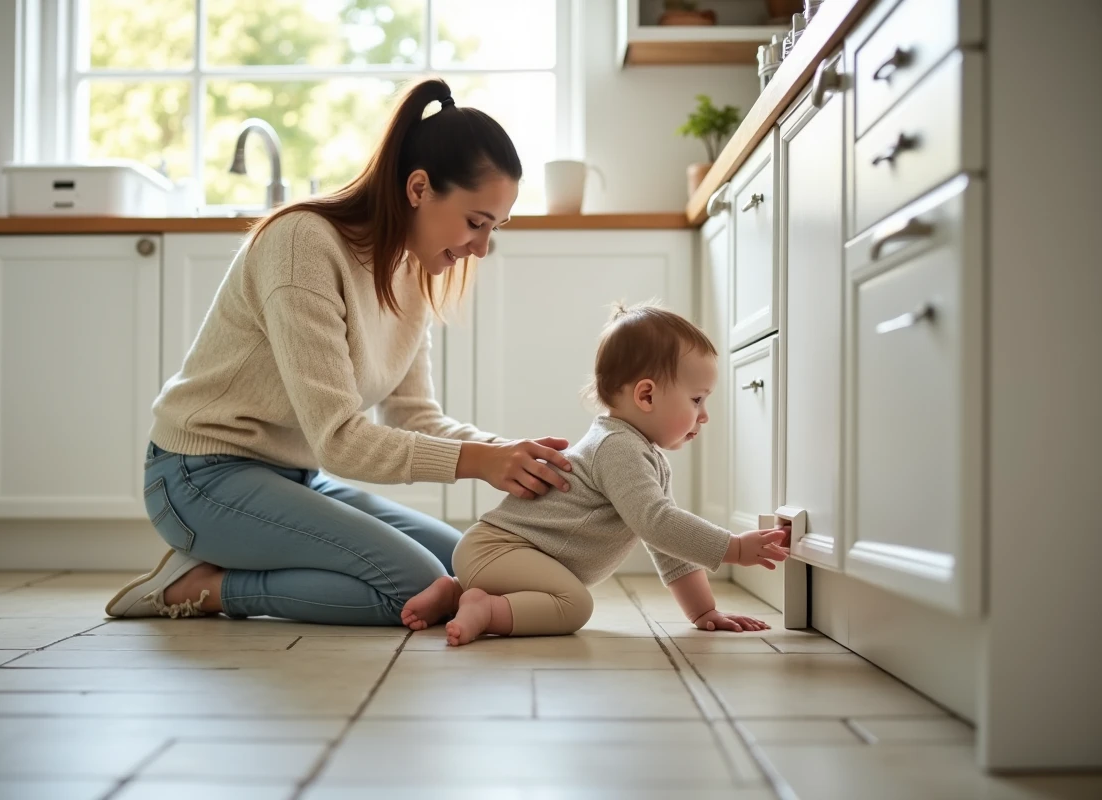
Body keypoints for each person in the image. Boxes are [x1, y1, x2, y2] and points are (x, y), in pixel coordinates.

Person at [105, 78, 574, 625]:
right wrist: (481, 463)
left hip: (297, 475)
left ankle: (235, 562)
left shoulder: (409, 270)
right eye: (475, 223)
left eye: (494, 228)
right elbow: (339, 440)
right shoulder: (303, 244)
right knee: (417, 586)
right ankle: (203, 587)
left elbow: (414, 417)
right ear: (419, 188)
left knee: (472, 564)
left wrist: (512, 454)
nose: (482, 248)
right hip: (198, 476)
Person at [401, 304, 791, 646]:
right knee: (573, 605)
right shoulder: (618, 448)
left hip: (497, 556)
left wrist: (704, 612)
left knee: (566, 595)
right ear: (646, 396)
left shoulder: (639, 453)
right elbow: (658, 525)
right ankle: (485, 608)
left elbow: (666, 544)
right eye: (697, 399)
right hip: (499, 552)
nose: (703, 415)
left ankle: (454, 593)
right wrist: (733, 548)